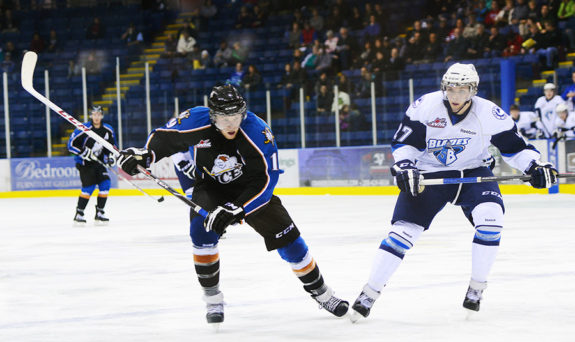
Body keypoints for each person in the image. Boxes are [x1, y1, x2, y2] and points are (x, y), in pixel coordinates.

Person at [117, 84, 349, 324]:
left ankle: (322, 294)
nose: (231, 124)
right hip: (210, 187)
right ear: (212, 116)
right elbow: (165, 137)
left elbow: (267, 178)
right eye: (223, 118)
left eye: (236, 116)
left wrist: (240, 208)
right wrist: (145, 155)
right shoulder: (196, 119)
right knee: (201, 234)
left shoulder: (258, 132)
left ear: (243, 113)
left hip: (249, 190)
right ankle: (213, 299)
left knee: (289, 239)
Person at [350, 63, 558, 321]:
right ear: (444, 87)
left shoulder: (490, 113)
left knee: (491, 221)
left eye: (462, 90)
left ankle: (476, 288)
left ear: (473, 90)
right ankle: (369, 293)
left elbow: (516, 148)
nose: (455, 96)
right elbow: (404, 143)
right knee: (402, 233)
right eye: (451, 89)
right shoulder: (425, 105)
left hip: (473, 173)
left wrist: (534, 165)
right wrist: (405, 165)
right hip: (429, 174)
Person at [67, 106, 117, 224]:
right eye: (94, 114)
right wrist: (83, 152)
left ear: (102, 116)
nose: (96, 117)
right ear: (91, 116)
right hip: (84, 163)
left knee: (105, 184)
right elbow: (70, 145)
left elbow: (111, 146)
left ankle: (100, 212)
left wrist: (110, 157)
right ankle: (79, 213)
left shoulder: (108, 129)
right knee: (89, 188)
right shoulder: (83, 128)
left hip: (99, 162)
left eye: (99, 114)